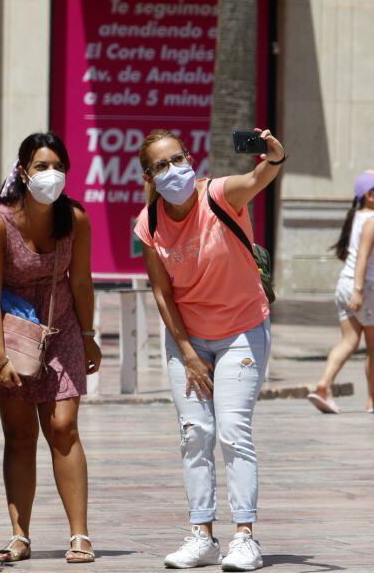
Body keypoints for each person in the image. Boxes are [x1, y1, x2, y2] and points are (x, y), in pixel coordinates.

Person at [135, 128, 282, 571]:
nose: (173, 170)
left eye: (178, 159)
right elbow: (162, 293)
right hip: (189, 338)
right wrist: (188, 351)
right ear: (148, 175)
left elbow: (255, 180)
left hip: (242, 330)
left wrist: (273, 158)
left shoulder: (218, 195)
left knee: (233, 431)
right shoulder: (150, 224)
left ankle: (244, 537)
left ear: (189, 159)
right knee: (193, 434)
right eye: (161, 165)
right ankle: (202, 535)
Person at [0, 132, 102, 565]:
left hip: (60, 328)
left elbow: (81, 281)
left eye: (58, 166)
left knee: (63, 427)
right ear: (23, 172)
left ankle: (79, 535)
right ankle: (19, 534)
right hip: (10, 334)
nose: (51, 174)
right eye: (42, 166)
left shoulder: (75, 219)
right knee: (20, 435)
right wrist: (0, 356)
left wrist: (87, 335)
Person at [308, 170, 374, 415]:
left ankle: (323, 386)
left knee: (349, 341)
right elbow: (363, 256)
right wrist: (359, 291)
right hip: (367, 287)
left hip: (346, 284)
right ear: (371, 195)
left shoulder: (359, 217)